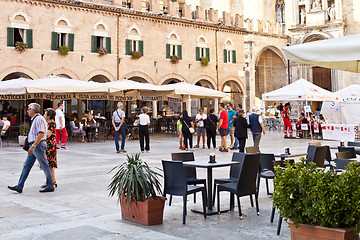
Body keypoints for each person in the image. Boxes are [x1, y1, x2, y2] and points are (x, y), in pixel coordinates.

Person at [8, 103, 54, 193]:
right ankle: (20, 186)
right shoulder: (36, 119)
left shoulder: (39, 119)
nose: (27, 111)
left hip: (38, 145)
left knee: (44, 164)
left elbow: (41, 134)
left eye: (29, 109)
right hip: (35, 145)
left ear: (33, 110)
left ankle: (50, 184)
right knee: (27, 165)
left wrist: (33, 146)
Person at [43, 108, 58, 188]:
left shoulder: (51, 124)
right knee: (50, 164)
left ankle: (51, 181)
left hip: (50, 145)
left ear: (48, 116)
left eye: (45, 114)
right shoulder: (49, 124)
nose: (44, 115)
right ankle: (52, 181)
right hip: (50, 145)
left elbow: (48, 135)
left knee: (49, 164)